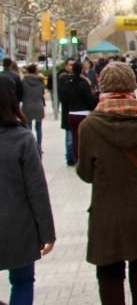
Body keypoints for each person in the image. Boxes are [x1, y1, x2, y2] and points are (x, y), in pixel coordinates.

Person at [76, 62, 137, 305]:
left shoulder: (89, 126)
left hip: (107, 216)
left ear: (102, 87)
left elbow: (86, 174)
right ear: (133, 85)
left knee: (109, 277)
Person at [0, 73, 56, 305]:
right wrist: (46, 232)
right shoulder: (22, 139)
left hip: (17, 225)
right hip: (17, 226)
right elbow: (36, 190)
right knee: (22, 282)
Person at [59, 59, 95, 166]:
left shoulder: (67, 82)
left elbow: (64, 97)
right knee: (84, 137)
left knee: (73, 137)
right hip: (83, 113)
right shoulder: (84, 82)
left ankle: (75, 157)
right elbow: (89, 99)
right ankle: (84, 157)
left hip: (71, 113)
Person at [21, 64, 46, 152]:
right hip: (39, 106)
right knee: (39, 128)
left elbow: (21, 93)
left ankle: (30, 147)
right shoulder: (40, 81)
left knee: (28, 128)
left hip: (27, 106)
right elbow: (43, 92)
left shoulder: (24, 81)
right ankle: (39, 147)